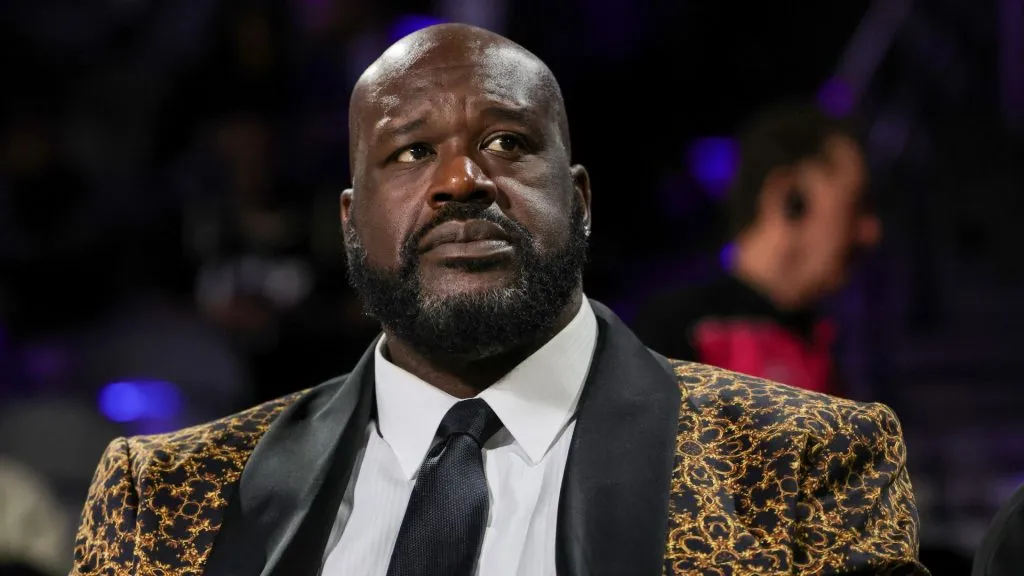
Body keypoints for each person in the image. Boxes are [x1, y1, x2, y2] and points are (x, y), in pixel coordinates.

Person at [70, 24, 926, 575]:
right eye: (411, 152)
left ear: (580, 201)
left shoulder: (802, 466)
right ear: (349, 223)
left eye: (509, 142)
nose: (460, 180)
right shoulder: (166, 501)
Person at [633, 104, 881, 396]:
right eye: (856, 206)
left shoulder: (827, 343)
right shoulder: (681, 332)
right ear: (789, 197)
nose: (871, 232)